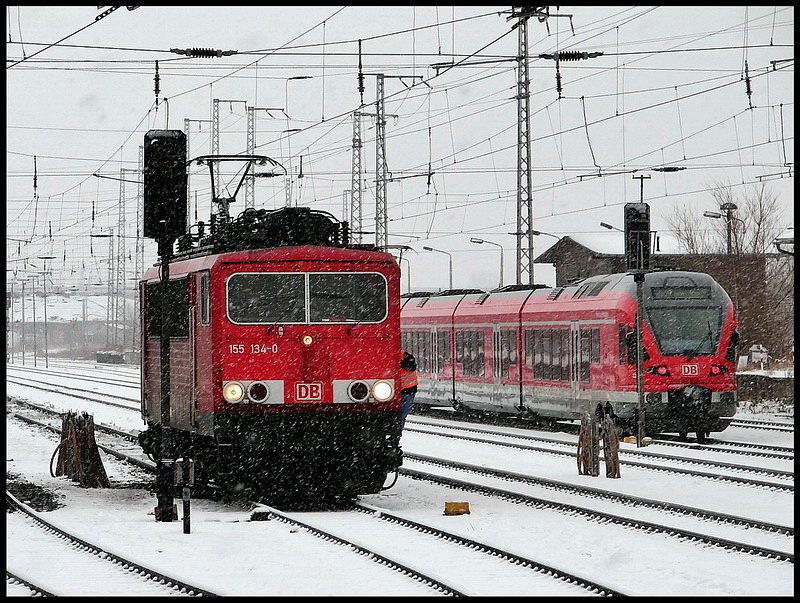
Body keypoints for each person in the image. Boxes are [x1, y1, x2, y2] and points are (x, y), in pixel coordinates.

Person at [399, 349, 418, 428]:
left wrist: (401, 364)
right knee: (400, 415)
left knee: (401, 415)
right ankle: (397, 431)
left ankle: (397, 431)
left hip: (408, 390)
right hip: (398, 391)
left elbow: (412, 366)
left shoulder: (402, 355)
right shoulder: (403, 354)